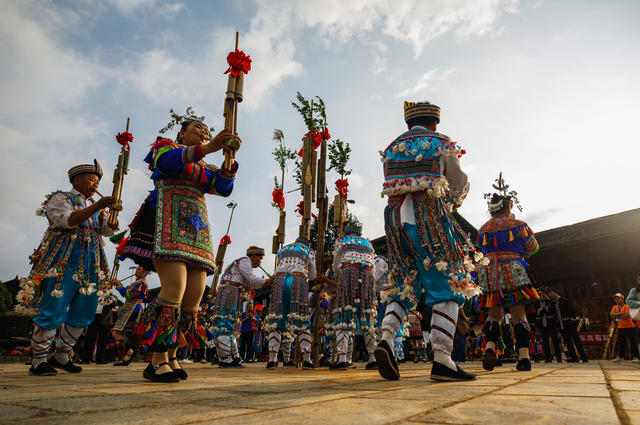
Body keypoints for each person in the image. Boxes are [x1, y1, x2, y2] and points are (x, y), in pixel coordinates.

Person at [122, 108, 240, 382]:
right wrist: (209, 147)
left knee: (194, 296)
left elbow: (222, 188)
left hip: (196, 229)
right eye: (198, 127)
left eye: (207, 130)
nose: (204, 131)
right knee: (175, 287)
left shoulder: (204, 165)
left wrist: (228, 159)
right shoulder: (166, 148)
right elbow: (167, 163)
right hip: (169, 220)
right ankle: (156, 359)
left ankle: (173, 354)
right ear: (182, 133)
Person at [376, 101, 479, 382]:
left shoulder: (392, 147)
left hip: (395, 219)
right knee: (449, 282)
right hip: (427, 216)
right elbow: (457, 182)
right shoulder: (440, 141)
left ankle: (385, 339)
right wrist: (454, 201)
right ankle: (443, 360)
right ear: (434, 122)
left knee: (403, 281)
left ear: (409, 123)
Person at [16, 159, 119, 376]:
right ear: (77, 180)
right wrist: (98, 206)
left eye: (97, 181)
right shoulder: (62, 197)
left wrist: (112, 221)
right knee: (55, 305)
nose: (95, 184)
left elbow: (107, 232)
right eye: (91, 179)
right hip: (63, 259)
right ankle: (39, 360)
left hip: (91, 261)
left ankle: (62, 354)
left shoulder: (95, 206)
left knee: (86, 308)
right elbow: (66, 221)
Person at [477, 174, 540, 372]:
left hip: (489, 272)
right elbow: (533, 247)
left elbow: (479, 252)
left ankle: (490, 348)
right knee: (518, 314)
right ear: (508, 206)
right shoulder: (518, 225)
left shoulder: (483, 229)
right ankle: (523, 357)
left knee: (493, 314)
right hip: (513, 269)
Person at [211, 247, 269, 367]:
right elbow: (253, 280)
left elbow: (253, 283)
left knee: (231, 325)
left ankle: (235, 356)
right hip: (230, 291)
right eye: (260, 258)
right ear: (253, 256)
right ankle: (225, 359)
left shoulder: (243, 263)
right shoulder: (245, 261)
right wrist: (269, 281)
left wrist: (267, 282)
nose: (260, 262)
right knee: (225, 323)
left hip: (232, 292)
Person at [264, 237, 317, 370]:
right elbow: (313, 276)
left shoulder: (283, 250)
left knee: (276, 320)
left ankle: (272, 359)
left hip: (279, 280)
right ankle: (307, 360)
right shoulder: (309, 251)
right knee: (301, 318)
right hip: (297, 281)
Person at [330, 224, 377, 370]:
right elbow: (373, 265)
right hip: (368, 275)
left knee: (343, 314)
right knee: (367, 315)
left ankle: (342, 359)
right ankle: (372, 358)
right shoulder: (367, 242)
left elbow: (336, 265)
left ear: (346, 232)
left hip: (348, 272)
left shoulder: (341, 240)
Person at [111, 266, 150, 366]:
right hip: (130, 307)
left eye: (139, 269)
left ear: (144, 272)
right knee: (125, 334)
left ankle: (128, 354)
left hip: (133, 308)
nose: (136, 271)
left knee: (120, 332)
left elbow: (128, 295)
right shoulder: (138, 282)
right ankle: (126, 356)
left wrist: (119, 285)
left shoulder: (141, 283)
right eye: (136, 269)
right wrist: (119, 285)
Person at [546, 287, 588, 363]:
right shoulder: (552, 303)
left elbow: (571, 310)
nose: (550, 295)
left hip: (569, 323)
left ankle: (584, 357)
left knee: (576, 340)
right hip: (561, 325)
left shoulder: (564, 301)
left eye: (550, 293)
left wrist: (572, 320)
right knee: (567, 342)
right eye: (549, 294)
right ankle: (574, 358)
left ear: (555, 292)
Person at [535, 289, 563, 363]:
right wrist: (543, 310)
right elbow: (537, 312)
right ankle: (548, 357)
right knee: (545, 341)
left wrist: (543, 310)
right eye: (539, 293)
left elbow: (552, 310)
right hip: (542, 324)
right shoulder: (537, 302)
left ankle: (558, 357)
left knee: (555, 341)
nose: (541, 294)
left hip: (551, 323)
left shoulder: (551, 301)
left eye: (542, 292)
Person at [611, 293, 640, 362]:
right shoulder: (614, 307)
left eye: (618, 298)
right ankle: (621, 357)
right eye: (615, 298)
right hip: (620, 327)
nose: (616, 300)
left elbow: (626, 316)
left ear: (622, 299)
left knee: (633, 342)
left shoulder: (627, 306)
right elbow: (611, 315)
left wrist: (616, 316)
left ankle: (636, 357)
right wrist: (621, 314)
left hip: (630, 327)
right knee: (621, 342)